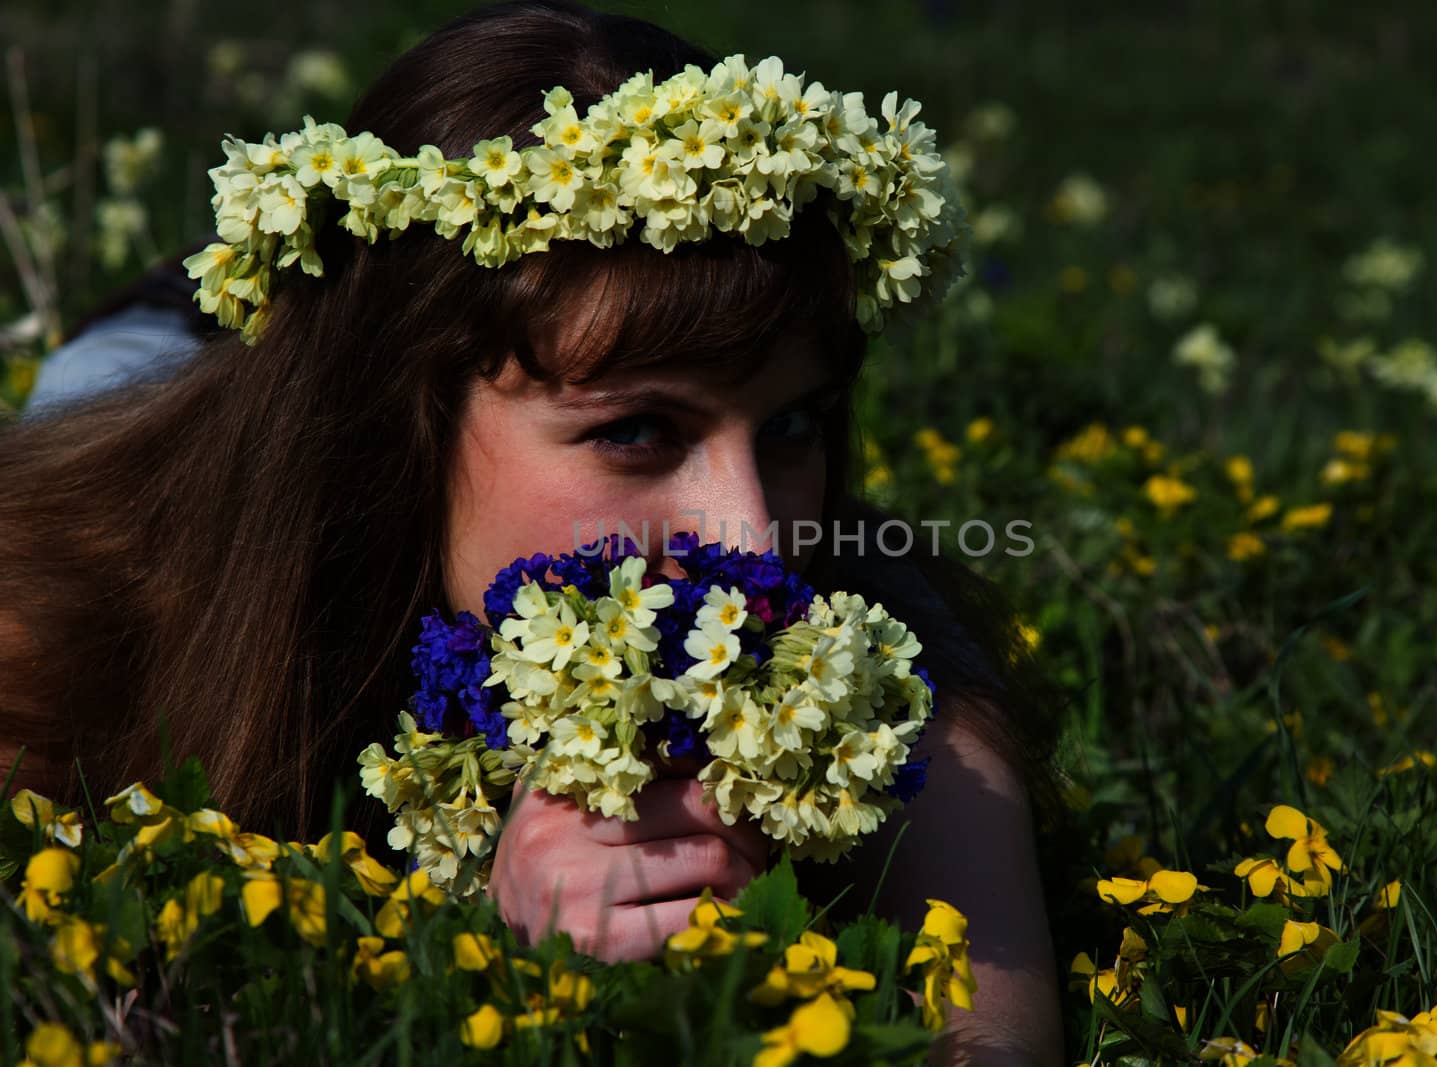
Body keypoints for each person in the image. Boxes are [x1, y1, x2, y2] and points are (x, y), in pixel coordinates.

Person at [0, 2, 1064, 1062]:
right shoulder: (57, 620)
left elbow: (989, 1040)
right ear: (397, 427)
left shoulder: (863, 657)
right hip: (156, 397)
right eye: (638, 428)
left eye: (791, 423)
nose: (755, 537)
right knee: (115, 372)